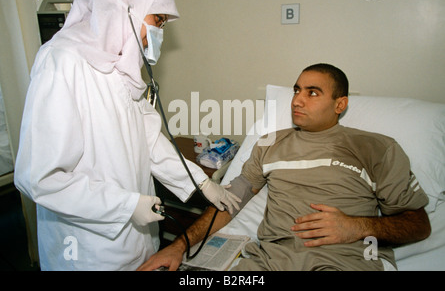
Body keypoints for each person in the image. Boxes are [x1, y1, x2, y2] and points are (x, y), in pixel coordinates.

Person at [14, 0, 239, 271]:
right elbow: (39, 176)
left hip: (138, 244)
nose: (160, 32)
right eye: (158, 20)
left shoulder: (124, 71)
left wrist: (201, 182)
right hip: (88, 252)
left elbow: (149, 141)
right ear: (128, 8)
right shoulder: (63, 61)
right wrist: (125, 205)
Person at [138, 63, 431, 271]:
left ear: (340, 104)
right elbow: (229, 202)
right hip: (268, 263)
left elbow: (419, 225)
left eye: (312, 92)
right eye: (296, 90)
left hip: (345, 261)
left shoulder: (376, 148)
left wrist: (356, 226)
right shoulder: (270, 144)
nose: (297, 100)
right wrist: (177, 247)